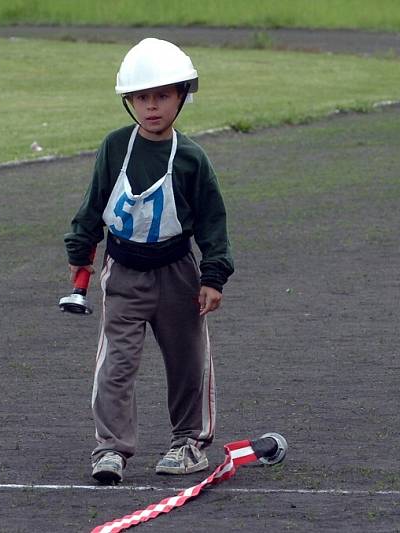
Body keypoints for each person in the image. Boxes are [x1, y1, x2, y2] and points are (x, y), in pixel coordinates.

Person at [64, 38, 234, 485]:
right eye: (142, 97)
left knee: (187, 359)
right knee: (115, 363)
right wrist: (80, 251)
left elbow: (213, 223)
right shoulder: (115, 148)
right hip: (123, 273)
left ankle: (189, 443)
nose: (152, 107)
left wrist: (213, 276)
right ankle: (111, 448)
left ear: (182, 97)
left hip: (178, 274)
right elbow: (93, 203)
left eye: (162, 96)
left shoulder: (192, 158)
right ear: (129, 101)